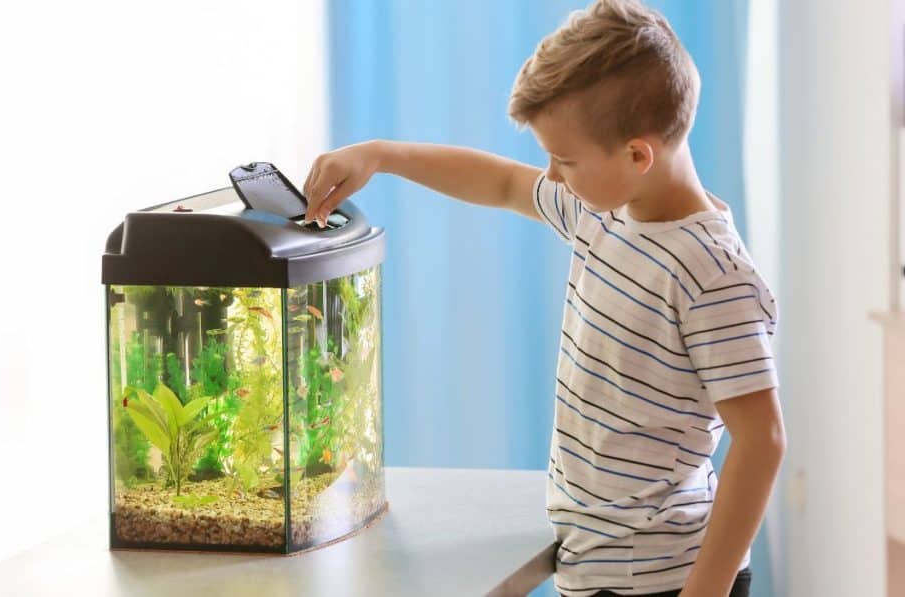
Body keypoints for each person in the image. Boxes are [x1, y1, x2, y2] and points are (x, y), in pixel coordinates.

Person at [301, 1, 785, 595]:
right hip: (595, 563)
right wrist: (381, 155)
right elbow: (503, 183)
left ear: (637, 155)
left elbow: (761, 441)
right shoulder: (605, 213)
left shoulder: (713, 274)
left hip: (665, 578)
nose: (552, 177)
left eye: (565, 160)